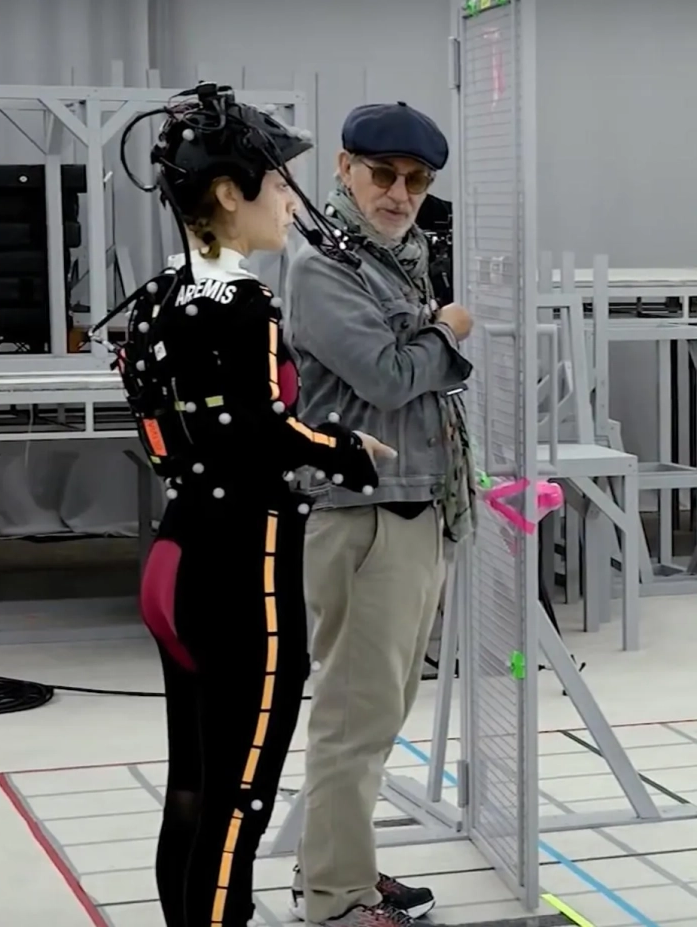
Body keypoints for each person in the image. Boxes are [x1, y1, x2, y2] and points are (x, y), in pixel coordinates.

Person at [112, 84, 389, 927]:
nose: (286, 199)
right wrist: (347, 450)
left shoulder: (160, 296)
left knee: (194, 789)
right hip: (242, 569)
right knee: (239, 805)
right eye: (273, 181)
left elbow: (208, 423)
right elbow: (255, 433)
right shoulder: (242, 301)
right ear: (228, 192)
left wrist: (301, 437)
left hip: (176, 556)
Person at [283, 101, 477, 927]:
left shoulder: (398, 257)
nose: (399, 194)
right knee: (354, 722)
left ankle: (344, 871)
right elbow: (389, 374)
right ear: (343, 168)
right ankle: (332, 902)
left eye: (416, 180)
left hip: (413, 506)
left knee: (377, 713)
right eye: (382, 176)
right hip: (363, 514)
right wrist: (446, 329)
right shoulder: (321, 266)